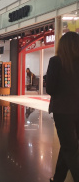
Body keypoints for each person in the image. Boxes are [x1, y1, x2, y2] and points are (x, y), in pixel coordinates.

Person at [46, 32, 79, 182]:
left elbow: (50, 89)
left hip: (62, 111)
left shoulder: (56, 61)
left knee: (69, 148)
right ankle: (58, 178)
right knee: (68, 145)